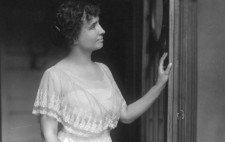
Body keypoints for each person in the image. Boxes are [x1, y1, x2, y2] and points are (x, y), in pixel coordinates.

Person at [32, 0, 173, 142]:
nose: (102, 30)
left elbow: (126, 114)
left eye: (98, 23)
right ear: (74, 36)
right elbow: (49, 135)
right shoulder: (54, 76)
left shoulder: (104, 70)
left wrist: (159, 85)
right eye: (93, 26)